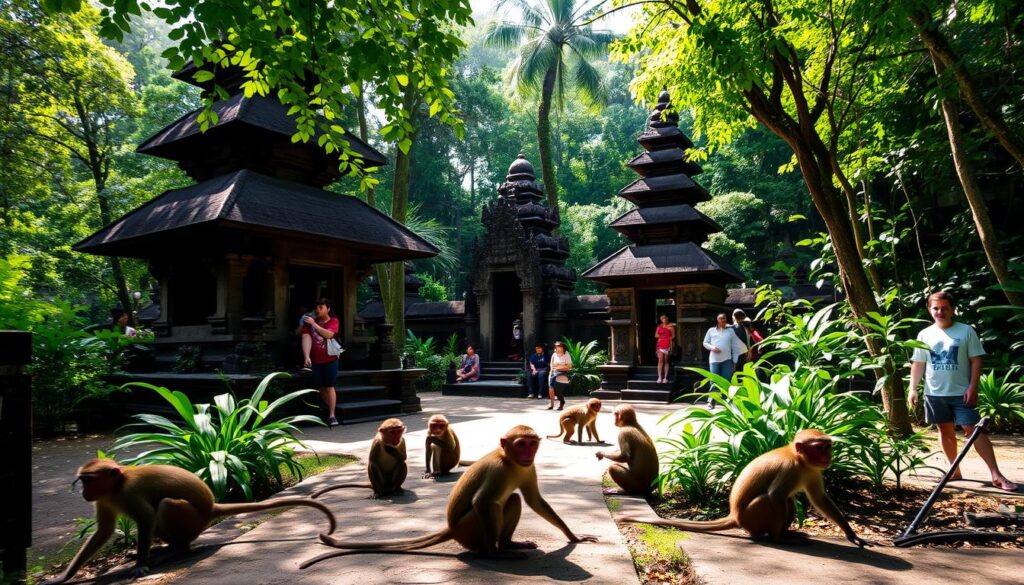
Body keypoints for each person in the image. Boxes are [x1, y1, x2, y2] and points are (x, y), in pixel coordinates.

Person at [908, 291, 1018, 492]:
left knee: (974, 430)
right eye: (936, 308)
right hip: (935, 393)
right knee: (944, 430)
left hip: (962, 393)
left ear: (952, 309)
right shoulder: (924, 334)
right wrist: (913, 389)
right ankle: (954, 470)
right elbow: (918, 363)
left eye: (944, 308)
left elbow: (976, 360)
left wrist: (972, 387)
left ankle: (996, 474)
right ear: (930, 310)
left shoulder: (966, 331)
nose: (940, 312)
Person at [302, 298, 340, 427]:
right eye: (316, 308)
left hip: (330, 359)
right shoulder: (310, 322)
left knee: (330, 386)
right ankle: (332, 408)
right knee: (320, 387)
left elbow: (329, 334)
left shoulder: (333, 321)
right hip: (315, 360)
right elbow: (305, 337)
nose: (318, 310)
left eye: (321, 307)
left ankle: (332, 415)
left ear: (328, 309)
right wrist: (306, 356)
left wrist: (314, 324)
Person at [703, 312, 745, 383]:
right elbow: (705, 343)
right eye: (720, 318)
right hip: (714, 360)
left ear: (726, 319)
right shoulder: (711, 330)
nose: (722, 320)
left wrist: (734, 361)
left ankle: (724, 394)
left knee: (726, 382)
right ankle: (714, 394)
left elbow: (735, 347)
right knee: (714, 382)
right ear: (717, 320)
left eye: (724, 318)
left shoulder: (731, 331)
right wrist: (712, 348)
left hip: (727, 361)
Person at [548, 340, 572, 411]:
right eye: (557, 347)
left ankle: (562, 402)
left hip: (563, 373)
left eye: (559, 347)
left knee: (558, 391)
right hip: (554, 372)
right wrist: (552, 370)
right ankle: (551, 404)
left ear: (563, 348)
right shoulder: (554, 354)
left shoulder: (566, 354)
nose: (558, 349)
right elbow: (552, 365)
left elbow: (569, 367)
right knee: (551, 388)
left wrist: (559, 366)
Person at [654, 314, 675, 384]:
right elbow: (656, 335)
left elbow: (673, 336)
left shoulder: (671, 327)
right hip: (660, 344)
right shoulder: (659, 326)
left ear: (667, 319)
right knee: (660, 360)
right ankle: (659, 377)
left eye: (664, 318)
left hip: (667, 344)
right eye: (662, 319)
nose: (663, 320)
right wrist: (663, 335)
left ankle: (665, 378)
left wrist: (668, 338)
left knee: (666, 360)